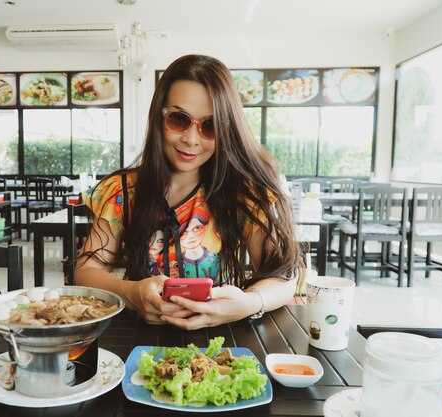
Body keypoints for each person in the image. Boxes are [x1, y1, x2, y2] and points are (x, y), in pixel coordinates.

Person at [76, 54, 302, 330]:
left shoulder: (243, 191)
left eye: (210, 126)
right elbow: (86, 271)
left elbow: (284, 278)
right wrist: (132, 294)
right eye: (179, 119)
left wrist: (249, 302)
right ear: (159, 117)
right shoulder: (122, 190)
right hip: (138, 338)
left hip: (221, 345)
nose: (191, 139)